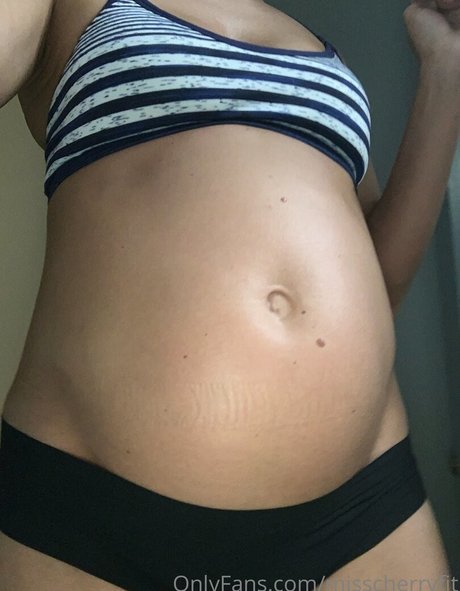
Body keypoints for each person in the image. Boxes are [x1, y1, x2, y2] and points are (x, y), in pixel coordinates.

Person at [0, 0, 459, 588]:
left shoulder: (316, 49)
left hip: (365, 507)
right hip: (94, 509)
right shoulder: (75, 9)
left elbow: (380, 278)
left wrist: (446, 65)